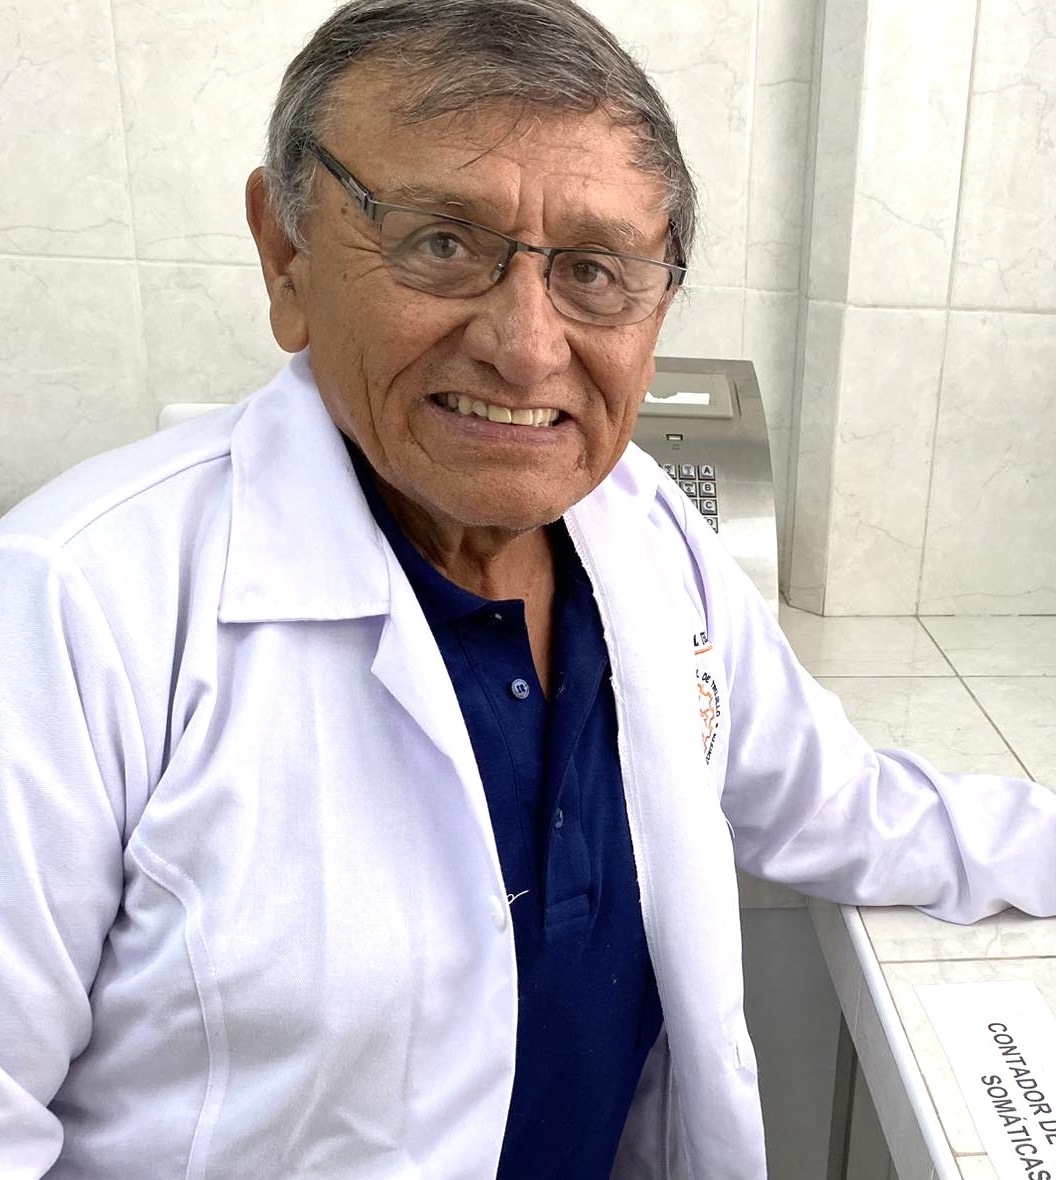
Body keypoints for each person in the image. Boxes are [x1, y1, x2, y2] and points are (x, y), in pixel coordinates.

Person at [0, 1, 1054, 1177]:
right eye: (443, 243)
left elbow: (843, 808)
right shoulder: (72, 608)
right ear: (286, 254)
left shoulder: (644, 536)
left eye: (595, 271)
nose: (526, 345)